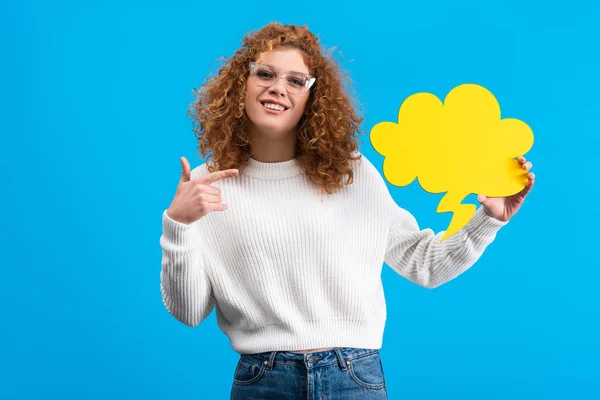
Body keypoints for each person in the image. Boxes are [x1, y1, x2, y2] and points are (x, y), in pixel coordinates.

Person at [159, 22, 535, 400]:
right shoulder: (206, 186)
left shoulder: (351, 172)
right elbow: (188, 311)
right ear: (242, 83)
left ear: (313, 98)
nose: (278, 88)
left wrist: (488, 220)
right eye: (265, 74)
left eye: (296, 80)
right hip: (264, 379)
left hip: (352, 376)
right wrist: (178, 225)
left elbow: (426, 265)